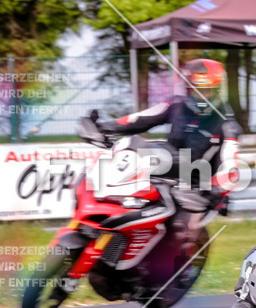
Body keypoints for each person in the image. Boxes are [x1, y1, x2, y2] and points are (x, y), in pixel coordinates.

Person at [97, 58, 241, 211]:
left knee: (180, 225)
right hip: (163, 180)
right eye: (194, 90)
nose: (199, 96)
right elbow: (140, 118)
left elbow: (230, 170)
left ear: (218, 91)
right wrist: (104, 127)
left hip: (194, 192)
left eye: (205, 91)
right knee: (130, 143)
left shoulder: (228, 126)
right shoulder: (176, 106)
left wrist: (215, 189)